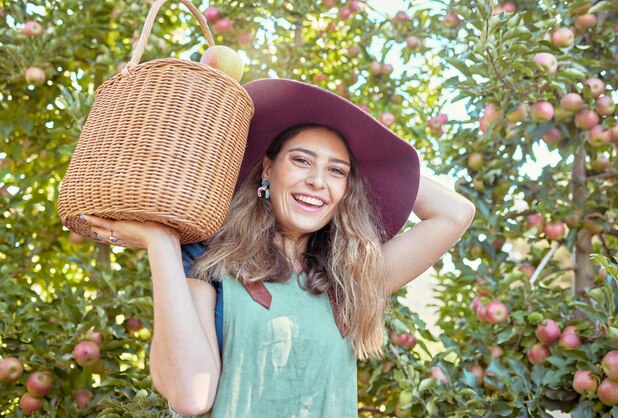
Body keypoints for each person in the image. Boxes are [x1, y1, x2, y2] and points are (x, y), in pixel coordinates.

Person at [79, 78, 475, 417]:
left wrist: (376, 162)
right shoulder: (208, 263)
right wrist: (160, 242)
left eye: (337, 171)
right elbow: (190, 395)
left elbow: (454, 213)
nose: (318, 181)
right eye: (302, 161)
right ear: (268, 169)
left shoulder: (349, 280)